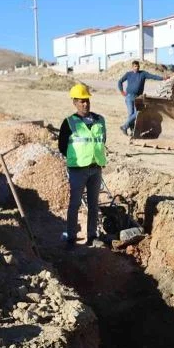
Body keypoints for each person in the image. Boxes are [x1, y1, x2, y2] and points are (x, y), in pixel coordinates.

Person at [58, 84, 106, 248]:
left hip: (96, 167)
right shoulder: (69, 122)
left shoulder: (100, 120)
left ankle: (92, 236)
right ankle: (72, 237)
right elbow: (62, 146)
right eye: (81, 101)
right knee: (75, 203)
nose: (85, 104)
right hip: (78, 169)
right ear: (74, 103)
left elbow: (102, 141)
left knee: (94, 204)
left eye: (87, 101)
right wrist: (76, 159)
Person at [117, 60, 165, 135]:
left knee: (137, 113)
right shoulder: (128, 74)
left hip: (138, 97)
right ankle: (132, 131)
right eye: (135, 66)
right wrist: (122, 91)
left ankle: (125, 126)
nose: (137, 68)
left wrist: (163, 78)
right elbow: (120, 82)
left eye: (138, 66)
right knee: (130, 114)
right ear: (132, 67)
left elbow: (153, 76)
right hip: (129, 97)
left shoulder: (143, 74)